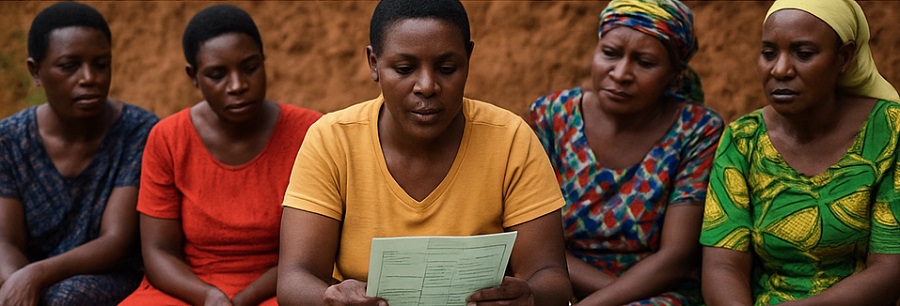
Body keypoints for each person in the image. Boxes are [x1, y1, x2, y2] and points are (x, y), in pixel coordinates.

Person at [276, 0, 572, 305]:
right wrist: (330, 298)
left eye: (447, 68)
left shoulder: (511, 140)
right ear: (373, 63)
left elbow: (550, 275)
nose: (427, 86)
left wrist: (530, 296)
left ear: (468, 59)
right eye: (404, 69)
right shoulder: (332, 140)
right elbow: (295, 278)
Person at [117, 5, 321, 306]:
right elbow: (159, 252)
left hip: (281, 288)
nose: (237, 85)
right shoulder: (168, 138)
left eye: (250, 68)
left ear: (265, 63)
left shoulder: (310, 132)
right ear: (194, 77)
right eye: (217, 75)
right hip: (187, 290)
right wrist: (208, 296)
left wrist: (241, 300)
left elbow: (315, 252)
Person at [699, 0, 900, 305]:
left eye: (803, 54)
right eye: (768, 53)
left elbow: (890, 269)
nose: (780, 69)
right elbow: (723, 264)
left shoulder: (888, 131)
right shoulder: (743, 139)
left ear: (844, 57)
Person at [527, 0, 723, 305]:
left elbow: (677, 256)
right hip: (558, 279)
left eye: (644, 63)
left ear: (674, 74)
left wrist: (598, 303)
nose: (620, 73)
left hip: (653, 292)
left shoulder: (696, 130)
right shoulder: (551, 116)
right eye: (610, 54)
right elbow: (533, 241)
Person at [0, 2, 159, 305]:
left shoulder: (138, 132)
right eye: (69, 66)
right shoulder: (8, 140)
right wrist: (16, 283)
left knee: (65, 298)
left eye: (101, 64)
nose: (89, 78)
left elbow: (116, 240)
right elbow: (4, 240)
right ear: (35, 71)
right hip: (28, 273)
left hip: (112, 274)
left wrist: (35, 276)